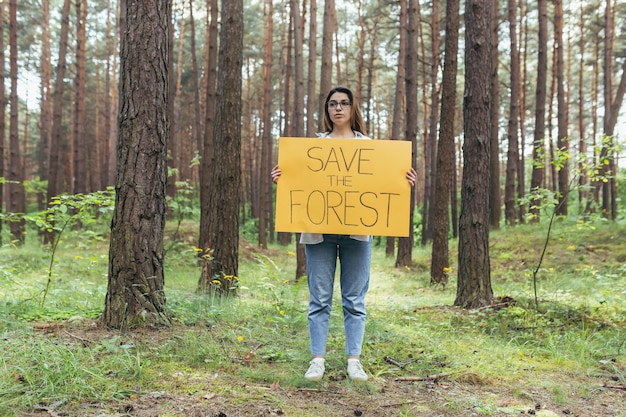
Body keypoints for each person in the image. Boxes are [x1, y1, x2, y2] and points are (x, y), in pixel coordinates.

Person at [271, 86, 417, 382]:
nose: (338, 108)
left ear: (353, 109)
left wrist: (403, 181)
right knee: (320, 298)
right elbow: (299, 181)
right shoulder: (312, 147)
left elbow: (382, 184)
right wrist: (282, 179)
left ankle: (354, 360)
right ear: (327, 110)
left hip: (357, 235)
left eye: (344, 103)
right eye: (333, 104)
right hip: (318, 235)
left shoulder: (370, 148)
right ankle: (317, 360)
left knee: (354, 299)